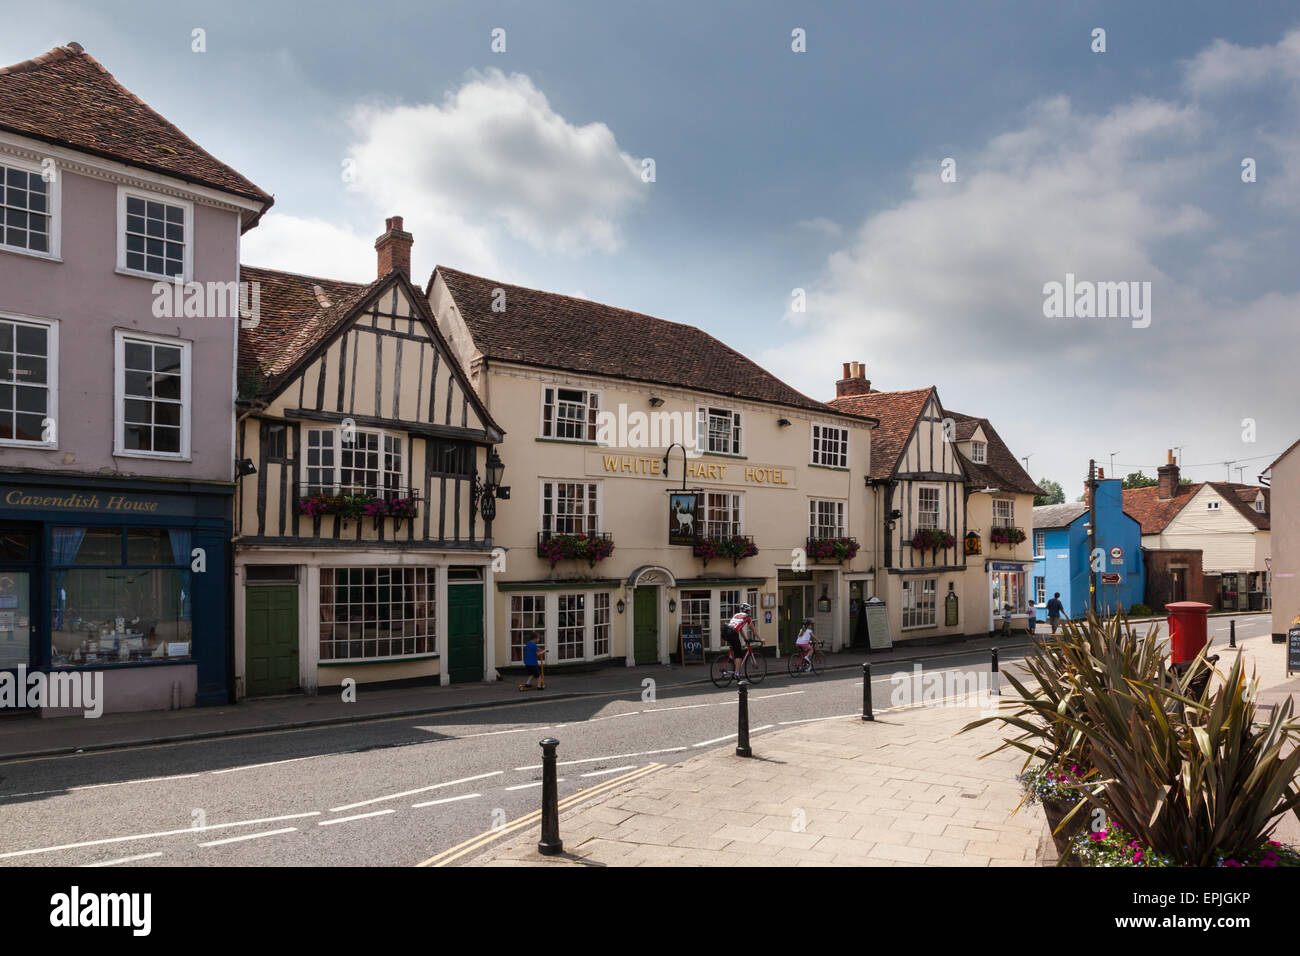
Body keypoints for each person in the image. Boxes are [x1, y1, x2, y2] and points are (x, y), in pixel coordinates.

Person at [722, 603, 756, 677]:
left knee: (735, 647)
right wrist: (761, 639)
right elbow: (753, 630)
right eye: (749, 610)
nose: (750, 612)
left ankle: (730, 658)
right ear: (747, 610)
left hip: (725, 630)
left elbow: (739, 629)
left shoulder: (736, 615)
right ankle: (737, 673)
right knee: (739, 654)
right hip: (733, 633)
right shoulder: (747, 617)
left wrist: (745, 638)